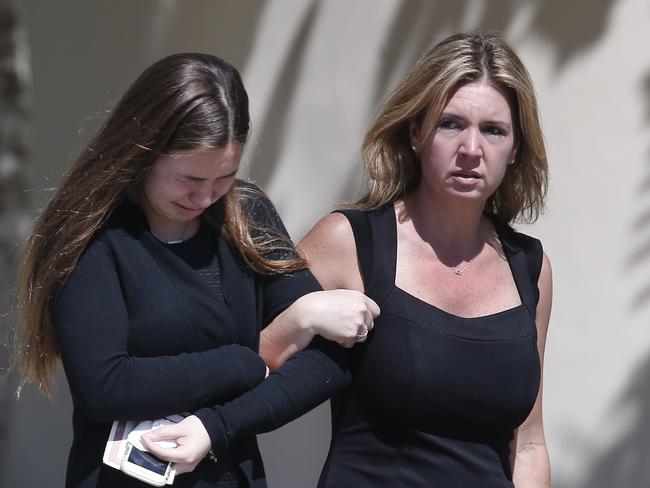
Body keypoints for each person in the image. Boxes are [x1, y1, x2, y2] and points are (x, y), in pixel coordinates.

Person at [143, 32, 552, 487]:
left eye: (493, 130)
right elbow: (251, 361)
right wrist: (301, 315)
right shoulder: (350, 241)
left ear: (516, 148)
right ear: (416, 131)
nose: (471, 150)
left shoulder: (529, 266)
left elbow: (529, 441)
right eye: (450, 124)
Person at [13, 52, 379, 488]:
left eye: (224, 176)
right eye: (188, 178)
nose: (205, 197)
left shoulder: (246, 214)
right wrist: (245, 362)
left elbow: (329, 362)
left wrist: (217, 426)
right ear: (143, 152)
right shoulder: (93, 236)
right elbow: (107, 386)